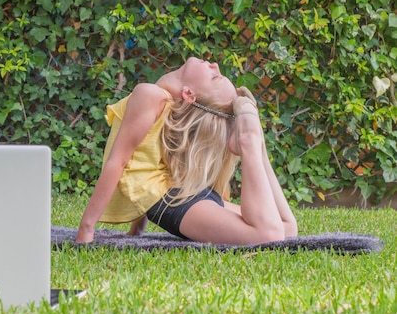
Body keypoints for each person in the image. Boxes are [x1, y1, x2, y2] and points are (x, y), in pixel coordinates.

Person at [75, 57, 297, 245]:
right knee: (280, 231)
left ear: (189, 94)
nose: (215, 65)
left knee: (274, 233)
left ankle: (251, 142)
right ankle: (253, 142)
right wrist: (136, 233)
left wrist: (86, 230)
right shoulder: (162, 102)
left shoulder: (150, 94)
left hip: (176, 200)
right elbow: (142, 166)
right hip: (178, 198)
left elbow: (119, 163)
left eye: (214, 77)